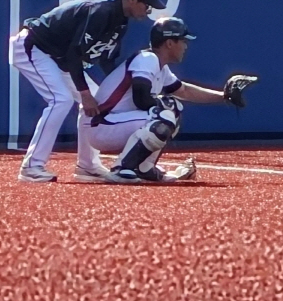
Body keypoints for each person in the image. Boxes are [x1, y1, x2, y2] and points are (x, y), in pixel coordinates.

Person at [9, 0, 163, 183]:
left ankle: (87, 166)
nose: (149, 10)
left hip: (58, 58)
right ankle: (32, 167)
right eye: (147, 3)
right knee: (61, 100)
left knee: (95, 103)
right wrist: (84, 93)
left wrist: (117, 89)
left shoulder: (121, 22)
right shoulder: (102, 11)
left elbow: (107, 62)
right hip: (34, 47)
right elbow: (74, 54)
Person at [85, 16, 258, 183]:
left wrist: (223, 96)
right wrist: (162, 106)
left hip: (113, 122)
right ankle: (122, 169)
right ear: (169, 43)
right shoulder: (147, 59)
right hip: (102, 124)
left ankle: (144, 168)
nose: (186, 46)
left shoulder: (159, 65)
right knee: (165, 113)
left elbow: (184, 91)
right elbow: (141, 98)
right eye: (183, 41)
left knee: (171, 109)